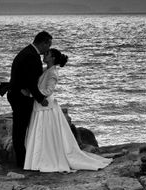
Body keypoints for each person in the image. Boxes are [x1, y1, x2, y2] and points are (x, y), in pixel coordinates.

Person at [24, 48, 112, 172]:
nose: (45, 55)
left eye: (47, 54)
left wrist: (32, 95)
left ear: (53, 58)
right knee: (41, 133)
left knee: (46, 133)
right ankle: (37, 159)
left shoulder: (53, 73)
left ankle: (44, 159)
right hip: (40, 105)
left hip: (46, 107)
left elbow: (49, 91)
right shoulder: (46, 70)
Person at [7, 31, 53, 168]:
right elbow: (31, 81)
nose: (49, 48)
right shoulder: (31, 56)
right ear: (43, 42)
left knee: (20, 129)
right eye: (49, 44)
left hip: (17, 93)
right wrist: (40, 99)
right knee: (20, 130)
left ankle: (24, 160)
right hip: (20, 97)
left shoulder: (28, 52)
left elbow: (27, 77)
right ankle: (22, 162)